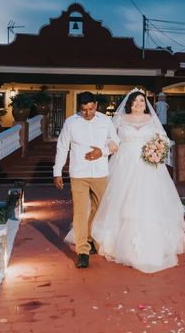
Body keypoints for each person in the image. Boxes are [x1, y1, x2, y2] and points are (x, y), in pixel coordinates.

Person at [91, 88, 185, 273]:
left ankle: (152, 243)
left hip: (148, 165)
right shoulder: (120, 119)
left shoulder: (152, 120)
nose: (138, 104)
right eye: (135, 101)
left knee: (148, 201)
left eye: (141, 101)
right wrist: (110, 143)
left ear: (146, 103)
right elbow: (109, 138)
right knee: (121, 200)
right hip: (124, 164)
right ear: (129, 103)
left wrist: (157, 150)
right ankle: (117, 243)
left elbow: (164, 140)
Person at [53, 91, 120, 269]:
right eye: (84, 110)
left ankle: (93, 240)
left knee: (100, 211)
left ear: (96, 105)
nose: (88, 113)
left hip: (100, 173)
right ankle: (82, 251)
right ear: (79, 108)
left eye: (91, 109)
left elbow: (116, 143)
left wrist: (102, 152)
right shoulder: (70, 122)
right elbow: (62, 147)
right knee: (80, 212)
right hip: (78, 174)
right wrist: (57, 172)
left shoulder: (105, 121)